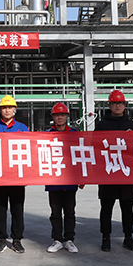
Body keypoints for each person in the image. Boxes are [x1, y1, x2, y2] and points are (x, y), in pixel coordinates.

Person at [95, 90, 133, 252]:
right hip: (108, 173)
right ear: (109, 106)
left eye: (120, 103)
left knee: (127, 208)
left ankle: (128, 237)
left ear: (124, 105)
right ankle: (105, 237)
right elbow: (95, 147)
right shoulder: (101, 126)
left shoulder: (132, 126)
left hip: (127, 173)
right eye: (114, 103)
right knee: (106, 208)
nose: (117, 106)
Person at [0, 95, 28, 254]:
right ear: (0, 110)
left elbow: (29, 151)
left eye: (10, 107)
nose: (7, 110)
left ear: (15, 110)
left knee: (17, 209)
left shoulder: (22, 128)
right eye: (4, 107)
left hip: (17, 176)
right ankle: (1, 239)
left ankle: (17, 240)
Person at [45, 102, 80, 254]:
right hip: (53, 181)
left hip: (70, 180)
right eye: (57, 115)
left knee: (70, 212)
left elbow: (81, 155)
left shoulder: (74, 134)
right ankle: (57, 239)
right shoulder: (46, 135)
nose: (60, 117)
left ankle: (69, 239)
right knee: (55, 212)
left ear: (67, 117)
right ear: (53, 117)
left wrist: (82, 177)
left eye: (63, 115)